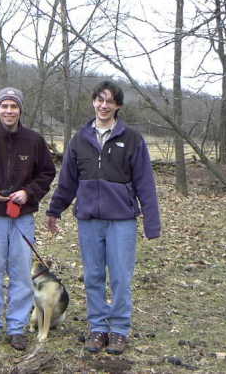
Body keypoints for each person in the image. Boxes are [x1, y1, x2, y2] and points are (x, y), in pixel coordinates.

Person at [46, 80, 161, 355]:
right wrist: (54, 210)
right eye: (99, 100)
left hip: (121, 220)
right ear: (93, 102)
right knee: (94, 276)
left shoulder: (132, 139)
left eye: (110, 101)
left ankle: (119, 330)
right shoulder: (79, 139)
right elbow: (67, 181)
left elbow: (145, 182)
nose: (104, 105)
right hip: (89, 220)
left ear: (118, 105)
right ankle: (97, 328)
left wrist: (152, 222)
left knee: (120, 277)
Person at [0, 87, 56, 351]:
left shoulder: (34, 141)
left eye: (13, 106)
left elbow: (47, 173)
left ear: (20, 110)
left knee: (20, 273)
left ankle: (17, 328)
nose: (8, 111)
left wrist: (28, 192)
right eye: (4, 106)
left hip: (22, 219)